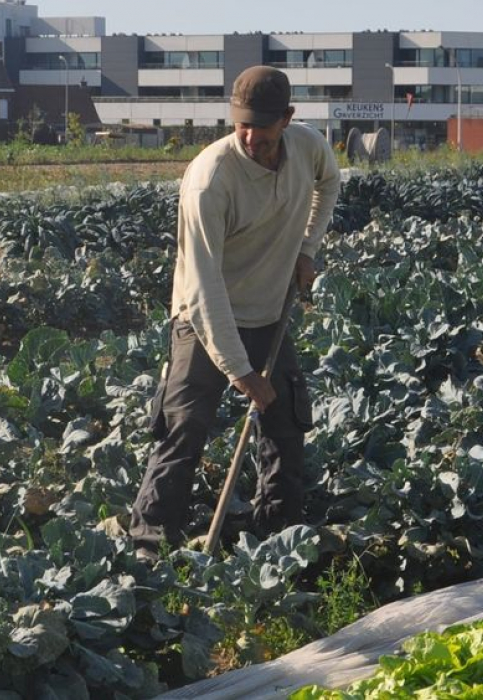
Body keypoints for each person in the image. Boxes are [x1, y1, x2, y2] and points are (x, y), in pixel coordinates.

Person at [130, 66, 341, 558]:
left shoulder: (308, 148)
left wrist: (307, 248)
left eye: (261, 126)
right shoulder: (211, 180)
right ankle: (150, 543)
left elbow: (328, 184)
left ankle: (278, 530)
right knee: (184, 426)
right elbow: (203, 289)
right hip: (202, 319)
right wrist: (241, 372)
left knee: (286, 421)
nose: (249, 135)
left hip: (269, 310)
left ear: (287, 119)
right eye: (241, 123)